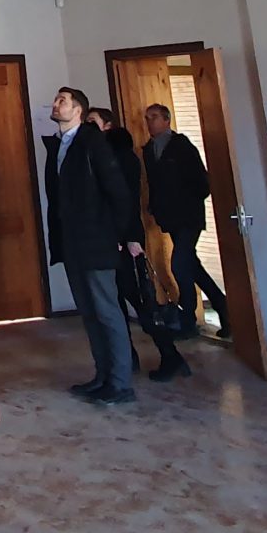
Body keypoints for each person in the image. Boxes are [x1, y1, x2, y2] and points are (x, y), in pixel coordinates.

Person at [43, 86, 159, 402]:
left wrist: (121, 235)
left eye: (63, 101)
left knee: (107, 311)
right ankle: (103, 376)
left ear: (78, 110)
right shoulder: (59, 146)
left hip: (97, 242)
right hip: (73, 244)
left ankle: (120, 383)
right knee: (89, 313)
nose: (56, 104)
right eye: (56, 100)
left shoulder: (93, 142)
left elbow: (118, 192)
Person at [89, 107, 188, 385]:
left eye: (93, 122)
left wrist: (131, 238)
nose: (88, 127)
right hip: (110, 238)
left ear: (107, 126)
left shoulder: (121, 156)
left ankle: (170, 355)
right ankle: (127, 356)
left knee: (139, 299)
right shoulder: (101, 154)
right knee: (116, 300)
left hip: (125, 238)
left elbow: (126, 201)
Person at [143, 102, 231, 339]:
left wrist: (185, 199)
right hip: (169, 217)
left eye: (154, 117)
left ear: (166, 120)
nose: (150, 122)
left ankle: (188, 320)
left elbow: (202, 182)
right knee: (190, 264)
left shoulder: (181, 146)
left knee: (180, 264)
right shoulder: (149, 150)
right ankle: (222, 305)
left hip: (188, 216)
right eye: (147, 118)